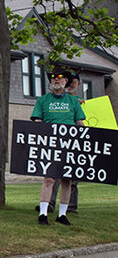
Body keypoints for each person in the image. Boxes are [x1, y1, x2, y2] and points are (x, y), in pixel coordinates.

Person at [32, 68, 85, 226]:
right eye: (54, 77)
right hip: (50, 144)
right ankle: (43, 213)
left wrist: (88, 137)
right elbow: (37, 121)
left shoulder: (73, 101)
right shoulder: (43, 100)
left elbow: (79, 122)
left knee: (66, 179)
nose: (56, 79)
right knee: (49, 178)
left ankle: (62, 214)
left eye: (60, 77)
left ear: (65, 82)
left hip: (69, 144)